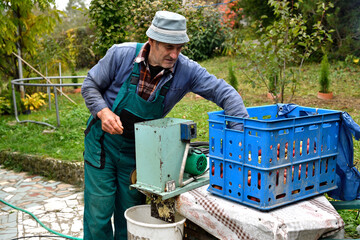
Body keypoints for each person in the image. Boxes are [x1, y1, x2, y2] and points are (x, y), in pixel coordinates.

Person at [81, 10, 249, 239]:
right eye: (168, 47)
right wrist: (103, 112)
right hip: (102, 146)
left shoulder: (186, 70)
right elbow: (89, 84)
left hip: (137, 151)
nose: (174, 54)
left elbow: (225, 93)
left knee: (128, 212)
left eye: (179, 48)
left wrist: (240, 140)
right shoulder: (120, 55)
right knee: (98, 212)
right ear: (151, 41)